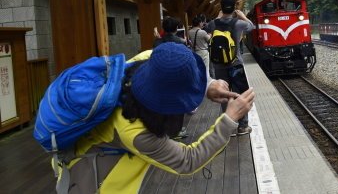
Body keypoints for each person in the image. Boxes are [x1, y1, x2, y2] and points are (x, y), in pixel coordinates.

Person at [64, 43, 255, 193]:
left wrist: (208, 86)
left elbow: (172, 75)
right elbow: (187, 160)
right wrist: (229, 118)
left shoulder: (151, 59)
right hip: (97, 182)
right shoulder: (135, 132)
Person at [205, 0, 255, 136]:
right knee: (240, 94)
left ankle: (230, 127)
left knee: (225, 95)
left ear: (221, 8)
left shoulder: (213, 24)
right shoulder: (238, 23)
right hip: (236, 64)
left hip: (219, 66)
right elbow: (252, 27)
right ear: (234, 9)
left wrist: (217, 16)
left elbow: (206, 28)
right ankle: (243, 126)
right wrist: (243, 16)